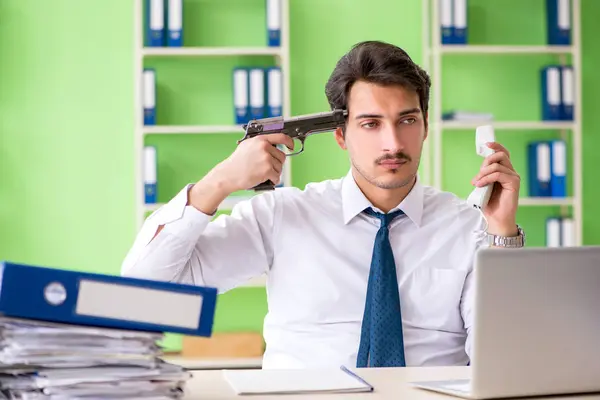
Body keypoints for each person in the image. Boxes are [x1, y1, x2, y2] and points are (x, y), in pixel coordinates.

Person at [121, 40, 524, 369]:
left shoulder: (469, 225)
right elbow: (144, 297)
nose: (393, 144)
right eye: (371, 124)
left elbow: (509, 362)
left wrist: (502, 236)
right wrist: (221, 181)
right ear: (341, 135)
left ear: (425, 126)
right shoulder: (281, 217)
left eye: (407, 120)